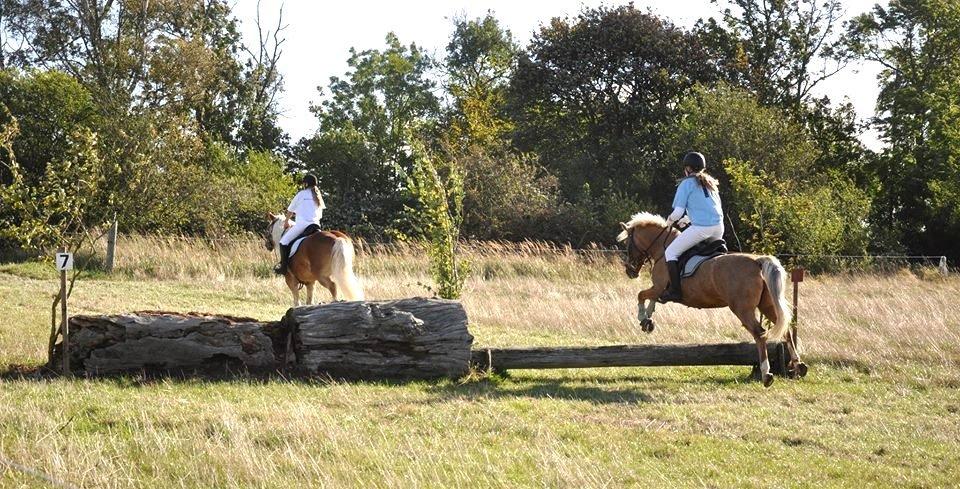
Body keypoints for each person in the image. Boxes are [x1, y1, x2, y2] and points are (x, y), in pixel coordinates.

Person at [659, 151, 724, 303]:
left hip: (702, 228)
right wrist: (688, 219)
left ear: (687, 168)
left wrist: (669, 221)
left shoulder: (686, 183)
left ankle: (675, 291)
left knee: (671, 252)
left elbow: (678, 212)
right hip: (718, 228)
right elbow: (711, 207)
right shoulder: (710, 183)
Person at [276, 174, 326, 275]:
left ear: (306, 183)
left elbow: (290, 210)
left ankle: (283, 267)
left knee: (283, 242)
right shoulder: (318, 195)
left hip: (302, 225)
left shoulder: (301, 194)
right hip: (316, 225)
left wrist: (286, 222)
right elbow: (320, 214)